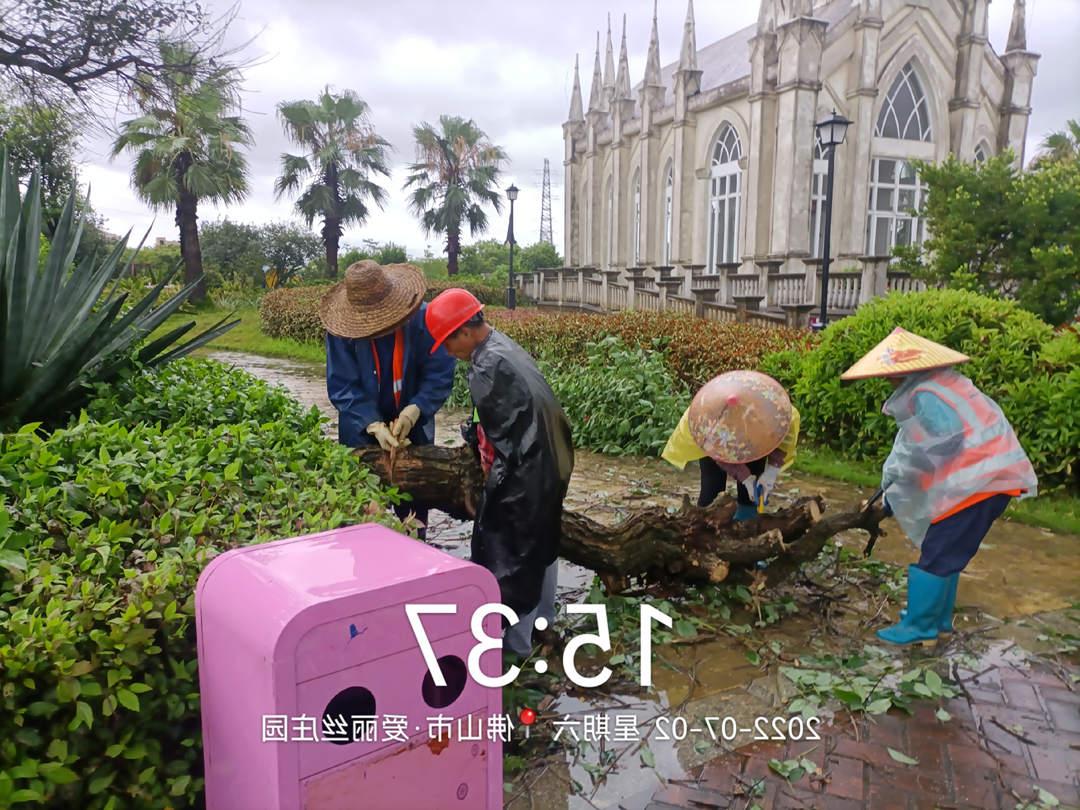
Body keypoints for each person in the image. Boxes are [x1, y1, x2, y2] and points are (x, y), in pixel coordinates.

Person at [841, 327, 1038, 646]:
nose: (889, 382)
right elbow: (921, 449)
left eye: (891, 376)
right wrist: (895, 486)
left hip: (978, 482)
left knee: (937, 552)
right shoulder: (946, 385)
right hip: (992, 478)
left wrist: (895, 487)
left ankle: (920, 627)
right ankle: (939, 622)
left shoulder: (925, 396)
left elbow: (934, 448)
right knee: (948, 552)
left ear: (909, 371)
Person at [425, 288, 574, 656]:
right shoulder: (503, 346)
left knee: (511, 555)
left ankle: (516, 651)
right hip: (555, 460)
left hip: (527, 469)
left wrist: (488, 492)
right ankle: (544, 626)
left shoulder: (486, 367)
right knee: (543, 542)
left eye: (447, 342)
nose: (448, 352)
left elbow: (496, 445)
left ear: (464, 330)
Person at [320, 260, 456, 539]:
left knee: (413, 513)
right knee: (363, 513)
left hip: (412, 428)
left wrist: (415, 410)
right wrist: (373, 424)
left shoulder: (422, 319)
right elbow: (342, 384)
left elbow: (439, 372)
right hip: (359, 431)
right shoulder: (341, 330)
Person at [662, 371, 800, 522]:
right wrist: (745, 477)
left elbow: (782, 437)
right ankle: (704, 526)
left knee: (750, 493)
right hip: (707, 431)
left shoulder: (778, 410)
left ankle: (747, 523)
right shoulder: (708, 422)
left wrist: (772, 470)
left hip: (754, 436)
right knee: (712, 488)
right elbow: (718, 455)